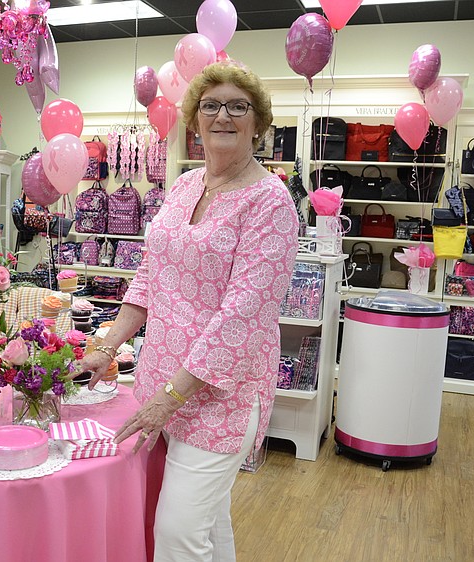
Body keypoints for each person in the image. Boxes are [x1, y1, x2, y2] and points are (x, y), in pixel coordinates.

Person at [75, 62, 299, 562]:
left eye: (238, 106)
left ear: (258, 123)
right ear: (196, 120)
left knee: (177, 533)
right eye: (210, 105)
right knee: (208, 527)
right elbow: (150, 275)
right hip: (163, 382)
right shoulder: (184, 186)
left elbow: (239, 320)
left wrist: (169, 398)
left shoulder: (270, 203)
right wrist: (107, 346)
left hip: (222, 398)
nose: (223, 115)